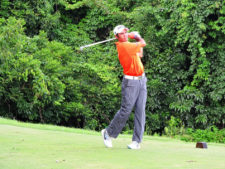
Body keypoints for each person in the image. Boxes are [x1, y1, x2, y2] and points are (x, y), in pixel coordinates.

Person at [101, 25, 147, 149]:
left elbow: (140, 54)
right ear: (117, 37)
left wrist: (135, 39)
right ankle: (108, 133)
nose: (125, 34)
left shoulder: (129, 46)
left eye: (126, 32)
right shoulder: (124, 46)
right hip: (130, 83)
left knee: (140, 111)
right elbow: (143, 43)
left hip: (141, 80)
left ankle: (136, 141)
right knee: (126, 110)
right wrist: (137, 36)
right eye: (122, 34)